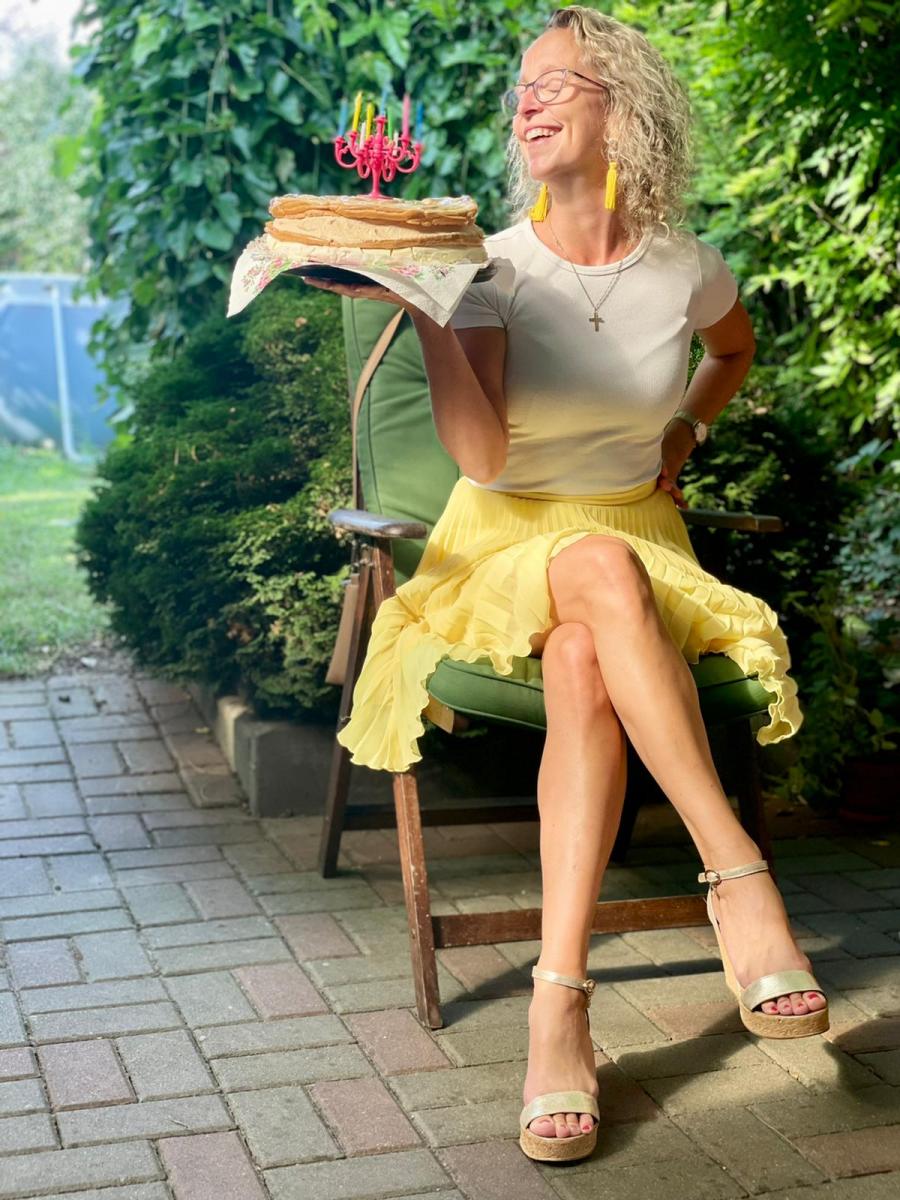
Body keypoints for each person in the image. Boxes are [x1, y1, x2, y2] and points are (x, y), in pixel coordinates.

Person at [303, 4, 828, 1166]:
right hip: (504, 544)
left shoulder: (687, 267)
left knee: (591, 643)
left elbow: (733, 350)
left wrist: (683, 433)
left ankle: (559, 1006)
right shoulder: (492, 266)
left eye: (554, 83)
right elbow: (485, 461)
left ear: (623, 108)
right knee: (591, 571)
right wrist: (432, 310)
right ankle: (739, 877)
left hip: (641, 547)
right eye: (522, 90)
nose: (526, 103)